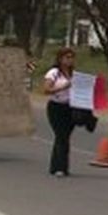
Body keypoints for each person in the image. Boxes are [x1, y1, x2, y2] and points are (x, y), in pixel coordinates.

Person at [43, 48, 77, 177]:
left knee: (64, 137)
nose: (69, 60)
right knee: (61, 135)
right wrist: (63, 87)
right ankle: (60, 167)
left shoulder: (74, 74)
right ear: (60, 58)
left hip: (70, 107)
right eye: (67, 57)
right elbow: (46, 89)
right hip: (56, 107)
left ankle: (57, 165)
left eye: (71, 57)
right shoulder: (54, 73)